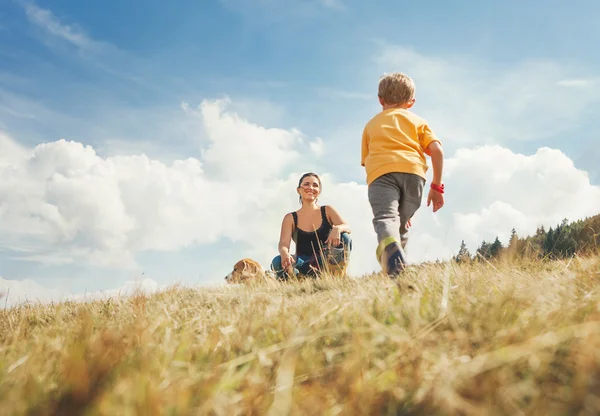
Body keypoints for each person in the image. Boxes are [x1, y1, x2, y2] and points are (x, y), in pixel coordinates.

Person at [361, 72, 445, 277]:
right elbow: (437, 151)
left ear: (380, 99)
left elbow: (367, 161)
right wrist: (437, 187)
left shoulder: (371, 125)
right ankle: (398, 273)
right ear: (411, 102)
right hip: (414, 175)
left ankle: (391, 254)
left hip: (382, 175)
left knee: (386, 219)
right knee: (401, 227)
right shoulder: (418, 122)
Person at [271, 172, 352, 280]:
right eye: (306, 184)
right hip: (303, 263)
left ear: (319, 191)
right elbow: (283, 244)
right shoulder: (290, 218)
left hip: (326, 261)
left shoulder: (327, 210)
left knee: (345, 238)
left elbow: (347, 226)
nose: (310, 187)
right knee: (277, 261)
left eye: (315, 185)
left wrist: (338, 228)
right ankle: (296, 279)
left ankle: (335, 276)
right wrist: (285, 254)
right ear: (298, 190)